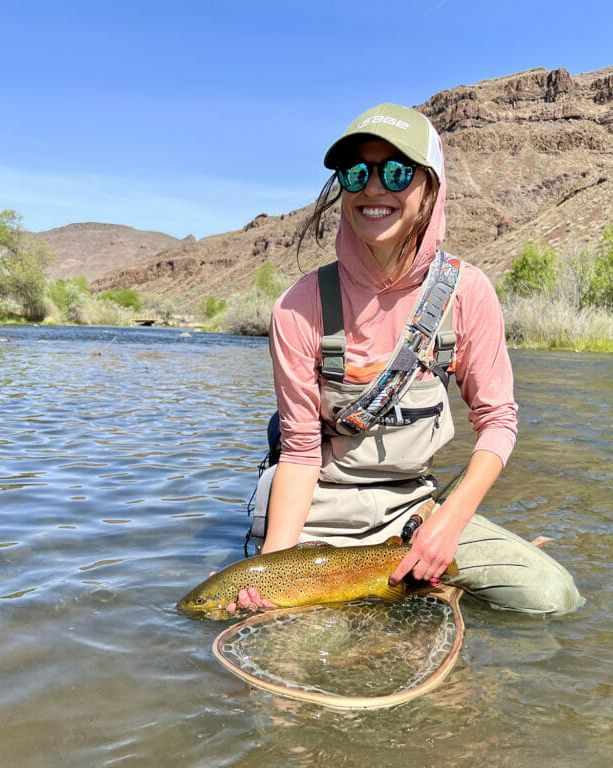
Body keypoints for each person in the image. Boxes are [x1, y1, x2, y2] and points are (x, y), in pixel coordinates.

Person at [236, 103, 582, 615]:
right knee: (299, 656)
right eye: (356, 173)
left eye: (396, 172)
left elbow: (498, 422)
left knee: (551, 598)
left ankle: (423, 581)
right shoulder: (297, 307)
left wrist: (449, 524)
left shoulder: (467, 293)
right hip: (318, 512)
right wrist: (276, 572)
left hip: (414, 511)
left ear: (430, 188)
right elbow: (302, 453)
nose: (374, 188)